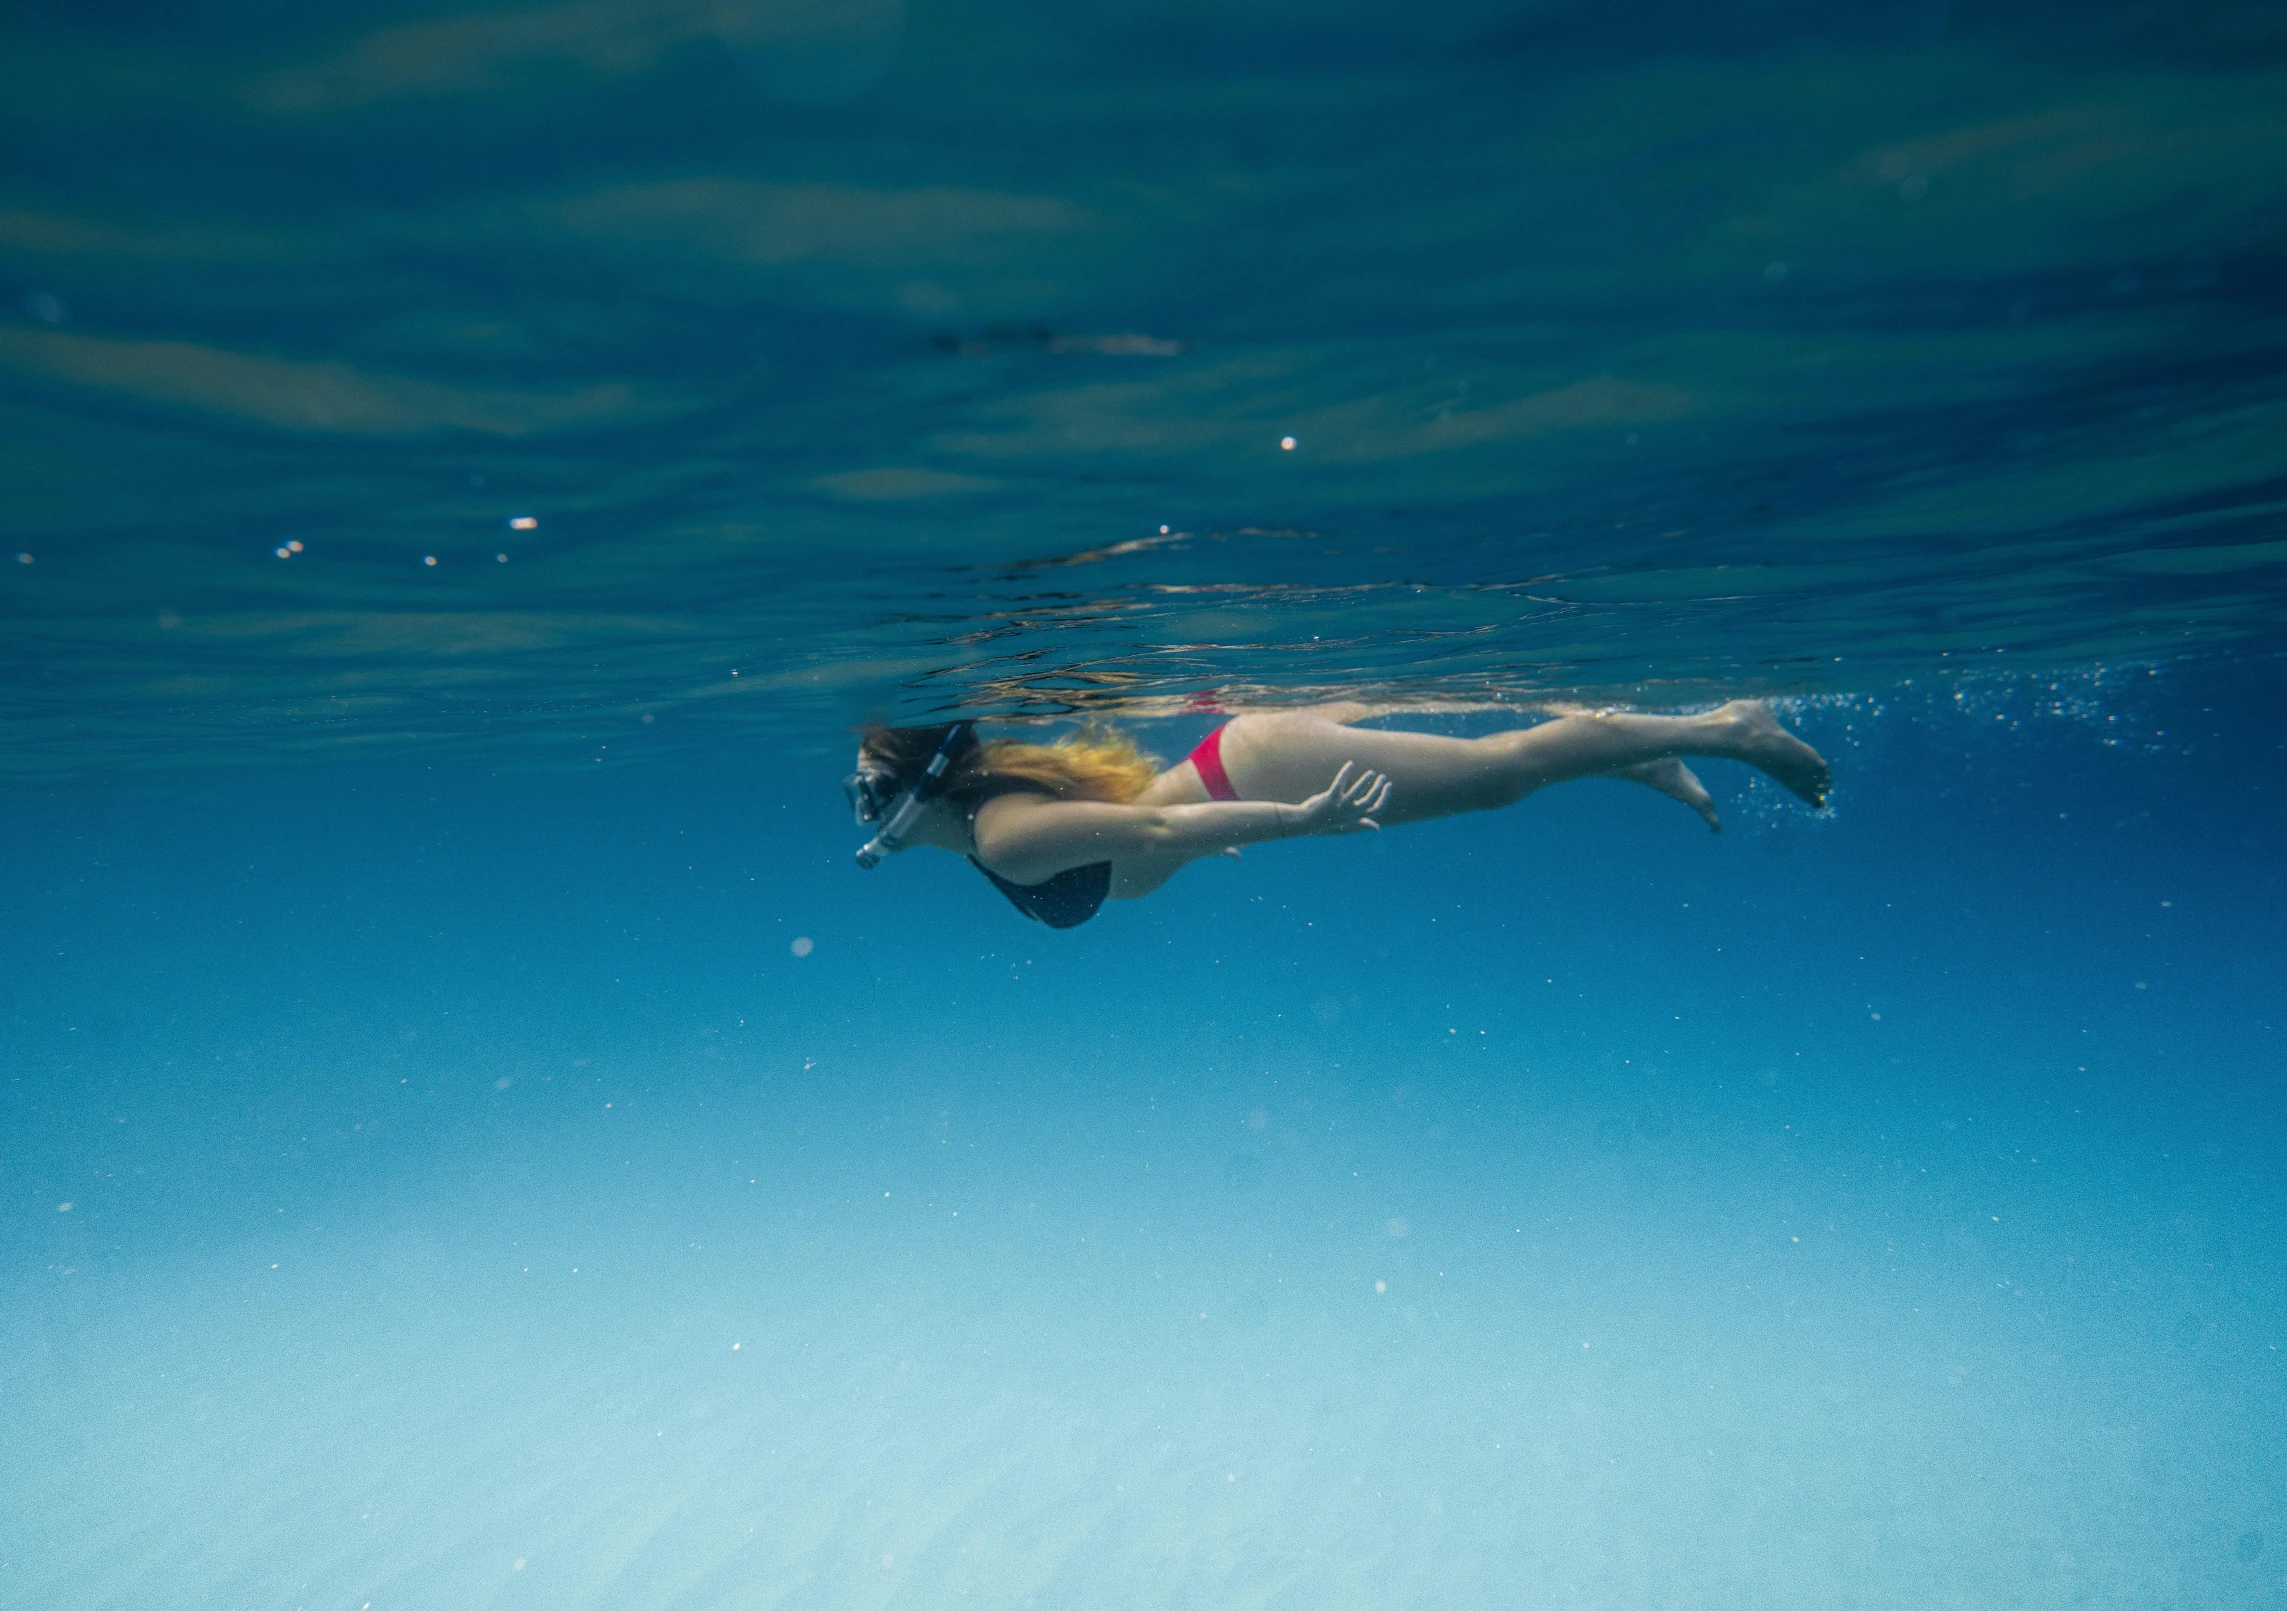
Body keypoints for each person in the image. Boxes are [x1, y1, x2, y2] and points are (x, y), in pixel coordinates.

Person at [845, 701, 1831, 929]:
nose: (857, 802)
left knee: (1499, 774)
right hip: (1236, 768)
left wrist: (1301, 817)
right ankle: (1631, 757)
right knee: (1501, 776)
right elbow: (1148, 835)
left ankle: (1728, 727)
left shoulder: (1002, 838)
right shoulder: (988, 823)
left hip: (1258, 771)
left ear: (915, 786)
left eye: (865, 786)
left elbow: (1152, 834)